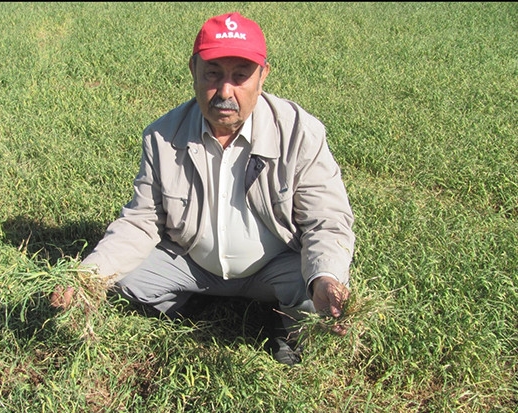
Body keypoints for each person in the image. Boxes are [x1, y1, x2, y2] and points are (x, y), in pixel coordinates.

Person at [51, 11, 355, 365]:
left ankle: (286, 325)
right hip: (193, 262)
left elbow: (327, 220)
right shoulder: (162, 136)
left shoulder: (301, 133)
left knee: (314, 289)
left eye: (240, 76)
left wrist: (324, 278)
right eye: (213, 73)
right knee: (123, 279)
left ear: (263, 76)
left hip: (275, 267)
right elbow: (141, 220)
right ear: (193, 71)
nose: (225, 91)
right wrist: (90, 277)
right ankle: (188, 301)